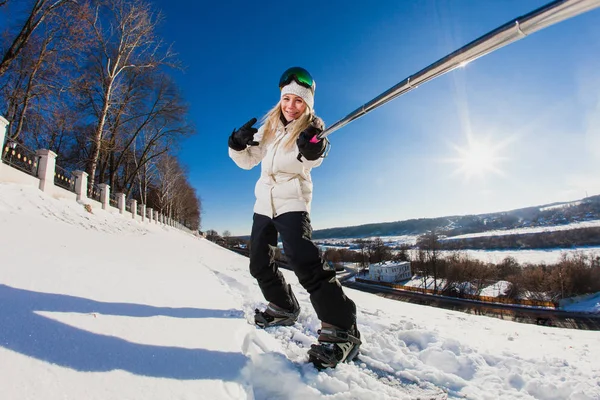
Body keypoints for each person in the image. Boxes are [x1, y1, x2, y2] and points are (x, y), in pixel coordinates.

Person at [227, 67, 361, 369]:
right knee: (258, 263)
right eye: (287, 99)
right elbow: (248, 161)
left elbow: (315, 155)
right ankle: (284, 305)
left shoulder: (312, 128)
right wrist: (237, 143)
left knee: (304, 262)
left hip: (292, 201)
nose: (291, 106)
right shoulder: (270, 128)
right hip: (264, 203)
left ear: (307, 105)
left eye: (298, 101)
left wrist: (313, 147)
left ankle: (342, 330)